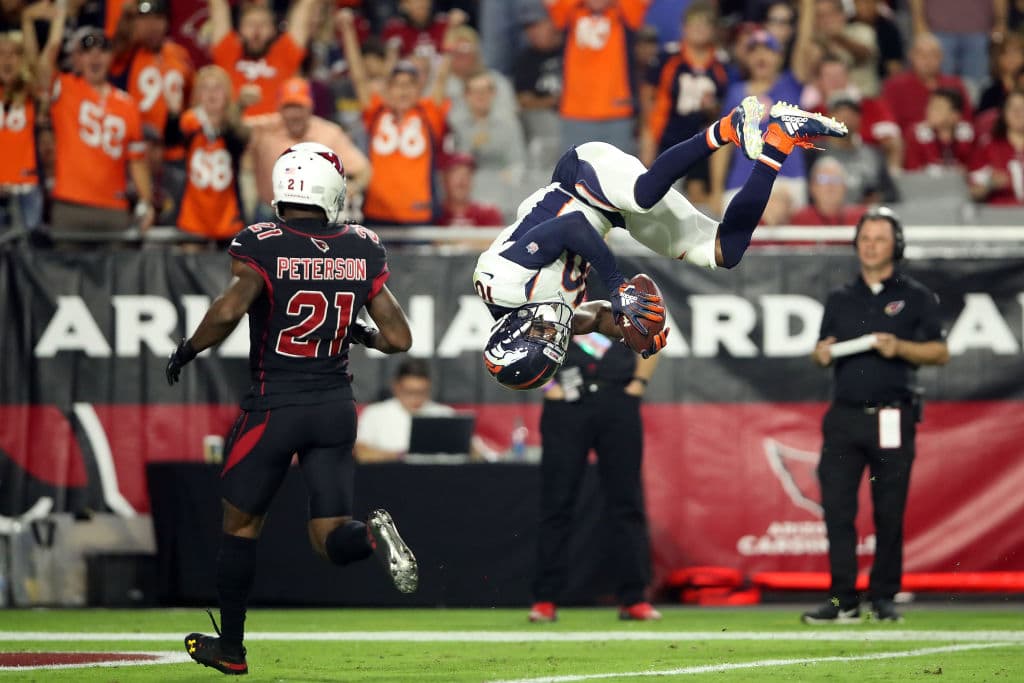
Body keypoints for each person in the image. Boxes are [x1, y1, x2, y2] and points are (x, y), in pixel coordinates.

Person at [165, 142, 418, 674]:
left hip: (275, 406)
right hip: (335, 407)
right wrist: (361, 334)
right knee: (331, 538)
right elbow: (399, 338)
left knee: (240, 527)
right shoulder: (361, 246)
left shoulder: (263, 242)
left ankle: (231, 650)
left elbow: (229, 309)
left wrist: (188, 348)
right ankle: (368, 537)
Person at [476, 97, 848, 390]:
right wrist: (635, 335)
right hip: (611, 215)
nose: (554, 331)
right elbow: (600, 317)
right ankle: (781, 138)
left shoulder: (501, 281)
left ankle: (725, 128)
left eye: (543, 335)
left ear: (512, 331)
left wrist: (618, 283)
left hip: (581, 180)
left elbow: (571, 227)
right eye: (554, 341)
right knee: (723, 250)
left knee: (642, 196)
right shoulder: (551, 322)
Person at [802, 207, 949, 625]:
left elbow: (940, 352)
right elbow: (820, 352)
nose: (870, 246)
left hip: (892, 416)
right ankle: (841, 599)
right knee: (837, 510)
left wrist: (899, 347)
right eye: (865, 238)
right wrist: (821, 353)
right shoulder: (840, 297)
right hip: (844, 417)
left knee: (889, 511)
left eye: (879, 239)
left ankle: (884, 596)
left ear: (896, 246)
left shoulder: (917, 296)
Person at [529, 339, 661, 622]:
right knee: (557, 502)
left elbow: (652, 335)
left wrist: (638, 383)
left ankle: (634, 597)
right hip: (566, 401)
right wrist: (548, 385)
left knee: (626, 501)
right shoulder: (548, 293)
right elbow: (524, 340)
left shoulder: (629, 293)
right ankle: (545, 598)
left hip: (617, 399)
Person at [38, 23, 155, 239]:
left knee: (115, 272)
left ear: (111, 58)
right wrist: (60, 15)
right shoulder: (63, 88)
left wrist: (146, 202)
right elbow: (43, 67)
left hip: (113, 208)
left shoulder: (128, 105)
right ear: (76, 59)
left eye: (103, 51)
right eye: (87, 52)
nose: (95, 57)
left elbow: (137, 161)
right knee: (64, 272)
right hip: (69, 205)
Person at [248, 77, 370, 221]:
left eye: (300, 107)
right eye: (288, 107)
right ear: (279, 109)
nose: (295, 114)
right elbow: (233, 129)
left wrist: (348, 189)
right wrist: (241, 106)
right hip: (270, 212)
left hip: (314, 215)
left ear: (311, 107)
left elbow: (364, 170)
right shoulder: (264, 129)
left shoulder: (329, 133)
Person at [110, 0, 194, 163]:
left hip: (175, 151)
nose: (152, 26)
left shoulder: (180, 54)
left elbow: (192, 96)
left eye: (158, 19)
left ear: (166, 22)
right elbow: (115, 48)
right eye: (145, 19)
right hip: (138, 149)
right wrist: (126, 20)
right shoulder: (128, 54)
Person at [207, 0, 318, 118]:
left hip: (274, 130)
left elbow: (305, 5)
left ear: (273, 30)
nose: (256, 31)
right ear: (239, 30)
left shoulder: (285, 53)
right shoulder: (228, 52)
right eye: (250, 24)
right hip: (233, 129)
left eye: (263, 25)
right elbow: (218, 5)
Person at [355, 359, 459, 463]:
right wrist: (401, 456)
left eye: (422, 392)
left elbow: (472, 451)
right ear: (395, 387)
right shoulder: (375, 414)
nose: (415, 398)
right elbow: (361, 453)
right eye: (409, 392)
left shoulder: (445, 414)